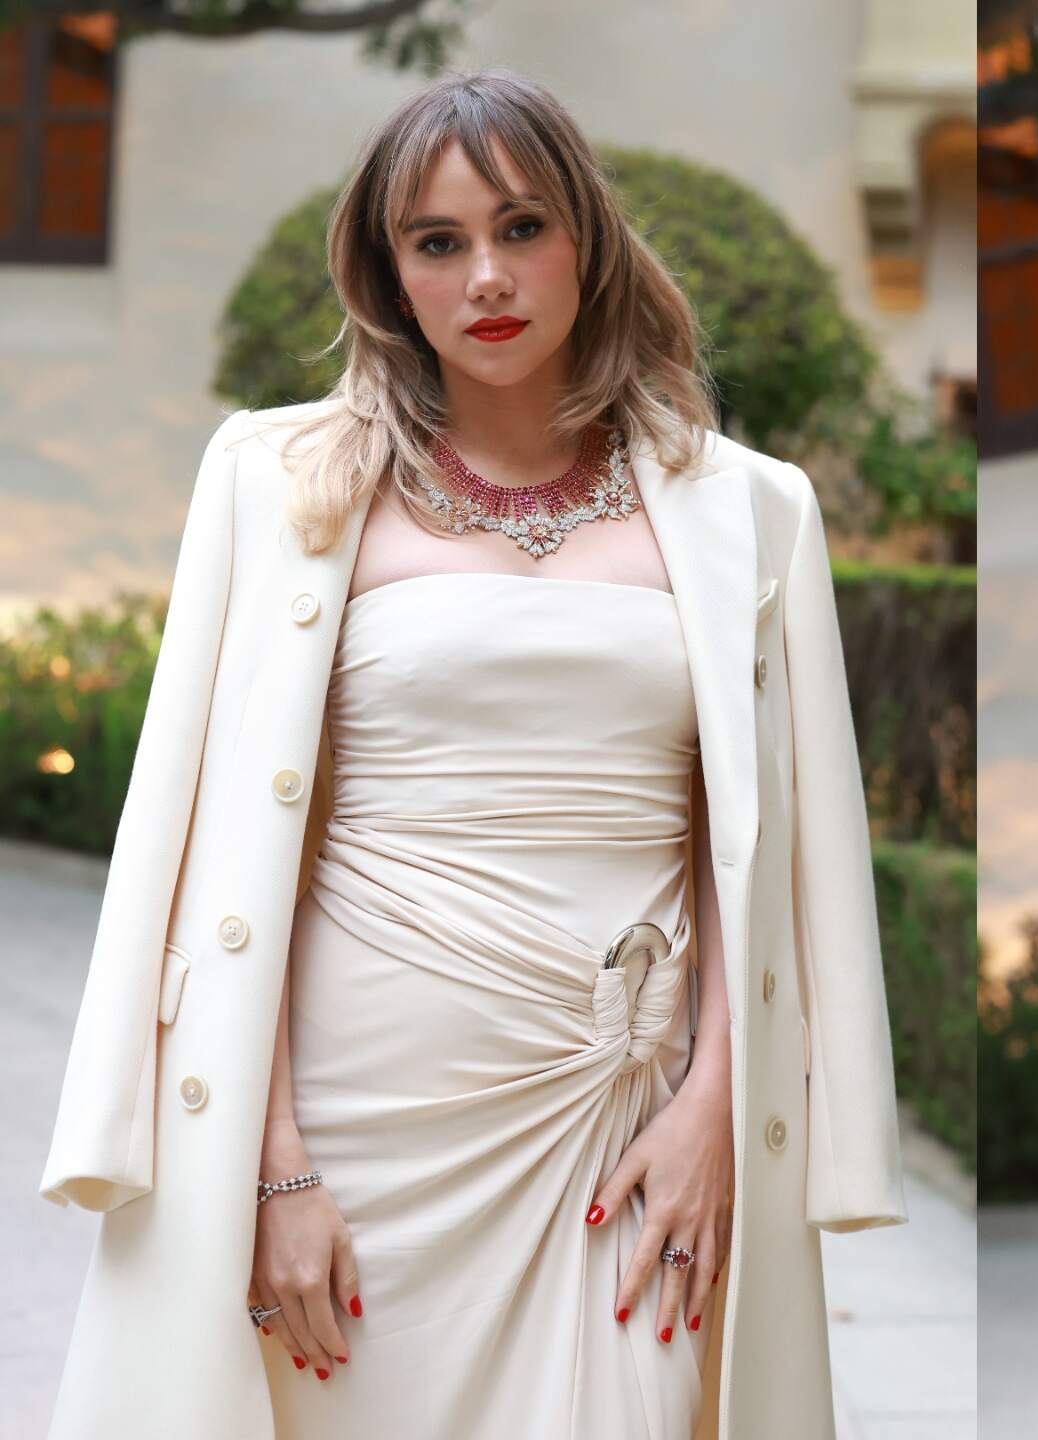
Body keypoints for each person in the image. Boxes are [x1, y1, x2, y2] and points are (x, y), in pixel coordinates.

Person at [40, 66, 907, 1439]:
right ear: (389, 276)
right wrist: (268, 1178)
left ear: (589, 242)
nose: (486, 276)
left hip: (622, 1130)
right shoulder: (276, 486)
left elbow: (760, 851)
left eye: (522, 227)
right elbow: (226, 859)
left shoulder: (756, 511)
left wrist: (714, 1112)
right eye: (437, 243)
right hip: (350, 1131)